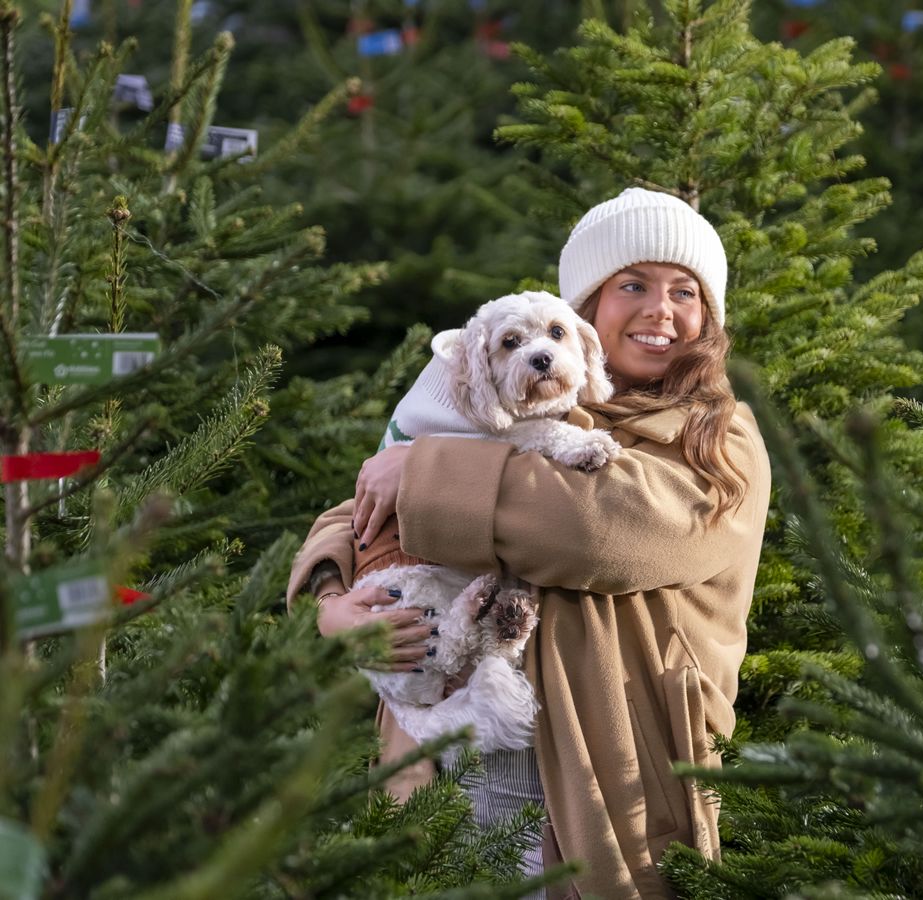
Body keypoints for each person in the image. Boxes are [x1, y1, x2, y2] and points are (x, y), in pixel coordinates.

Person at [286, 187, 771, 899]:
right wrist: (333, 604)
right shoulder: (532, 395)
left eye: (685, 291)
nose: (661, 309)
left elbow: (599, 530)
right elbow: (359, 504)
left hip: (597, 778)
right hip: (444, 755)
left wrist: (419, 469)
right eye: (632, 284)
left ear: (709, 318)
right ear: (587, 314)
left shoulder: (717, 439)